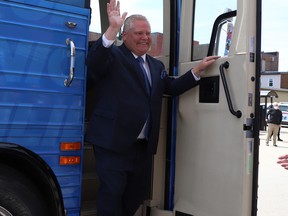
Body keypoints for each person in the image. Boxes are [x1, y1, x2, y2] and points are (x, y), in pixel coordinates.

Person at [85, 0, 219, 215]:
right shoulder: (112, 56)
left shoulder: (156, 65)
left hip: (142, 146)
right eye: (138, 33)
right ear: (125, 35)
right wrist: (111, 29)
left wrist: (198, 70)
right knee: (112, 193)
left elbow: (171, 88)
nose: (145, 38)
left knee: (135, 195)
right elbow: (93, 65)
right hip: (112, 142)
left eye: (147, 33)